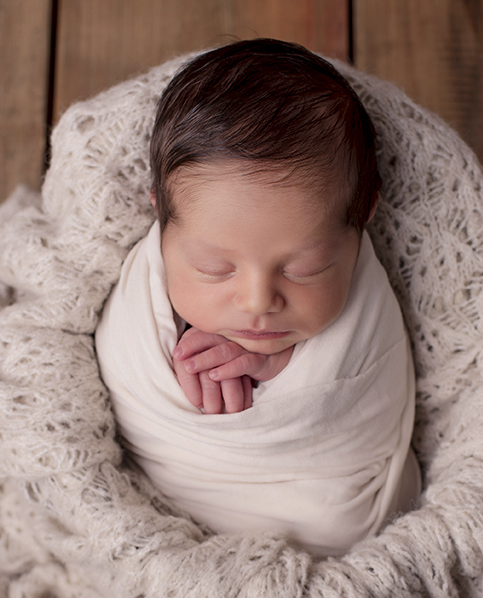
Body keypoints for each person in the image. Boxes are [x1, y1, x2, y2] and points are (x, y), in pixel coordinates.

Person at [95, 39, 420, 557]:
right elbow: (120, 377)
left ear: (363, 218)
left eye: (304, 268)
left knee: (340, 524)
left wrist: (282, 368)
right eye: (214, 268)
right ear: (160, 216)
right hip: (169, 525)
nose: (257, 300)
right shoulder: (140, 288)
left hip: (337, 516)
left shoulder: (365, 294)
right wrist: (175, 370)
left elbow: (369, 394)